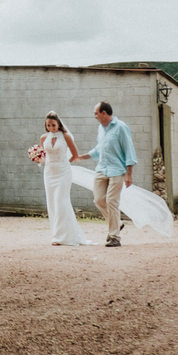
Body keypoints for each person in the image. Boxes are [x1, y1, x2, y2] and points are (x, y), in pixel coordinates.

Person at [75, 101, 137, 247]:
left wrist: (129, 174)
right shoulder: (100, 129)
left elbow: (129, 150)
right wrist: (80, 157)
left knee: (111, 201)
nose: (94, 116)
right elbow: (98, 150)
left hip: (117, 170)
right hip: (102, 169)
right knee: (98, 200)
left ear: (103, 113)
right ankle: (118, 223)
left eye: (96, 113)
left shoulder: (121, 127)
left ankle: (114, 237)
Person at [37, 112, 91, 246]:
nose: (51, 128)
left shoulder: (66, 136)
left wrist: (64, 163)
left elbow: (75, 155)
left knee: (60, 200)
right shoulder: (44, 138)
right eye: (48, 125)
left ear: (59, 124)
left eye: (53, 125)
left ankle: (60, 237)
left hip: (63, 173)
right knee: (52, 203)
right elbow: (44, 157)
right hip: (49, 173)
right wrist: (38, 158)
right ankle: (58, 234)